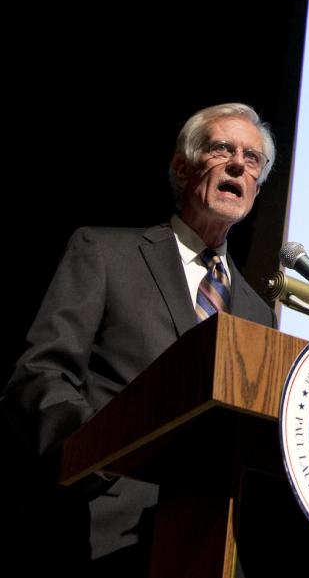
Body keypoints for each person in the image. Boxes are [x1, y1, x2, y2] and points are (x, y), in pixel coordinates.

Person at [1, 102, 277, 577]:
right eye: (221, 149)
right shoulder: (106, 253)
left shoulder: (258, 315)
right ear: (182, 166)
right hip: (97, 530)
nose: (238, 164)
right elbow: (39, 375)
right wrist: (93, 457)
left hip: (209, 549)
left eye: (252, 159)